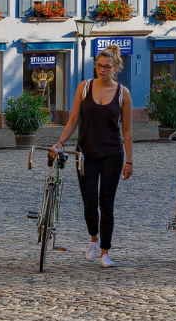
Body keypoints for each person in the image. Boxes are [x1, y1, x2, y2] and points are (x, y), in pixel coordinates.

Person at [51, 45, 134, 269]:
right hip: (85, 152)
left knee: (107, 204)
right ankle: (94, 239)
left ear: (115, 68)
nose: (102, 70)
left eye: (106, 67)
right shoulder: (84, 87)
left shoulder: (123, 93)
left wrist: (129, 160)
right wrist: (60, 143)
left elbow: (127, 130)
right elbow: (73, 120)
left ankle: (105, 253)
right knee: (89, 202)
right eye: (99, 66)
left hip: (112, 153)